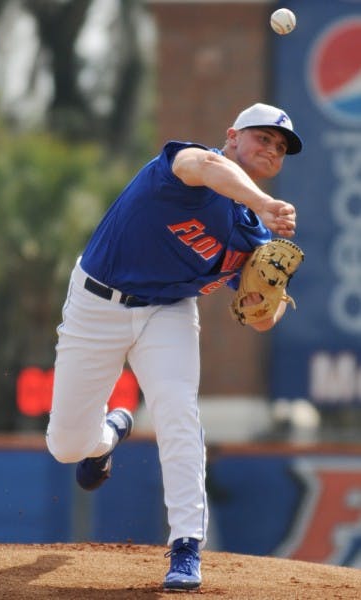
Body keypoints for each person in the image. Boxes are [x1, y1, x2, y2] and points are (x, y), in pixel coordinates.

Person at [46, 102, 303, 591]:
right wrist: (265, 203)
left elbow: (262, 320)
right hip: (100, 301)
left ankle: (186, 546)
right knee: (66, 447)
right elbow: (208, 169)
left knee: (178, 410)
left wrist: (263, 302)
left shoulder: (255, 235)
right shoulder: (187, 163)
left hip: (169, 312)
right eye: (262, 138)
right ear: (232, 136)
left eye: (279, 147)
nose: (271, 149)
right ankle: (110, 432)